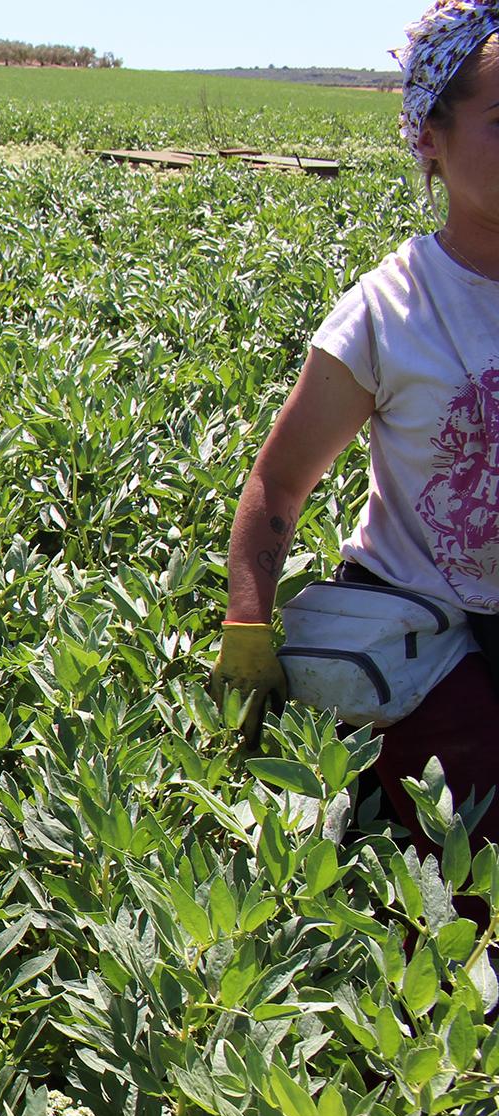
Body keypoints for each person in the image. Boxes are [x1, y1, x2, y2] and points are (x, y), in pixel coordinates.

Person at [213, 0, 499, 878]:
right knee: (459, 894)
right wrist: (247, 630)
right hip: (425, 648)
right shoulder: (391, 308)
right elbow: (279, 485)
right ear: (431, 141)